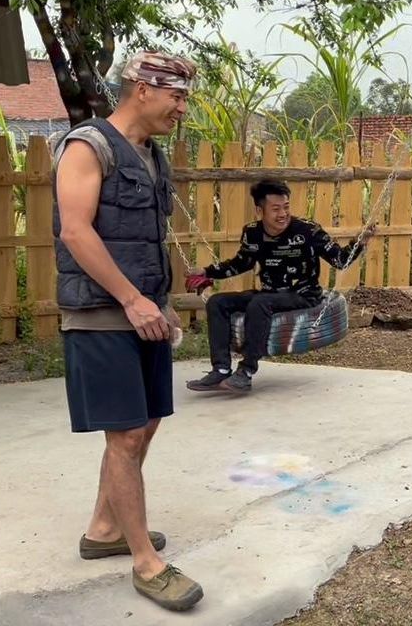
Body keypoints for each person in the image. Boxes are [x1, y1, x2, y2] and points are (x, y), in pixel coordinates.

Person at [53, 51, 203, 611]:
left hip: (144, 308)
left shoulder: (150, 155)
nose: (181, 108)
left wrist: (156, 301)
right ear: (141, 89)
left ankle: (103, 529)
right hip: (101, 312)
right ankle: (145, 562)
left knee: (146, 423)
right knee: (123, 434)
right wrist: (132, 299)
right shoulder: (86, 146)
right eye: (177, 96)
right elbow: (75, 231)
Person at [184, 178, 375, 392]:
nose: (283, 214)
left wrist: (359, 243)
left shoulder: (307, 231)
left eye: (286, 207)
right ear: (259, 211)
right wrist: (207, 271)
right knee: (218, 302)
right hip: (269, 293)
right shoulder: (253, 233)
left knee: (259, 303)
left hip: (303, 295)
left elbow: (340, 260)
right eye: (275, 209)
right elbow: (241, 263)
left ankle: (246, 371)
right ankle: (220, 369)